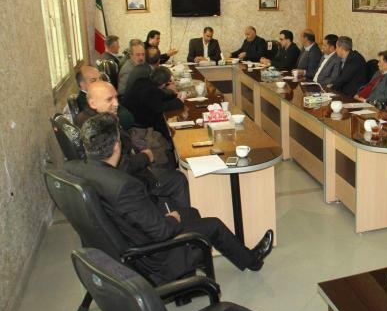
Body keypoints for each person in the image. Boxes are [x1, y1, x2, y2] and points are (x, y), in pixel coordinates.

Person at [66, 113, 274, 284]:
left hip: (123, 241)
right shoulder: (123, 186)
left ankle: (189, 276)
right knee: (214, 225)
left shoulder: (76, 169)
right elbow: (162, 231)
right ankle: (252, 261)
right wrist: (172, 217)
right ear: (116, 146)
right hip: (152, 258)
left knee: (191, 213)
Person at [76, 81, 183, 204]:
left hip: (129, 169)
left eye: (116, 97)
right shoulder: (99, 129)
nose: (116, 104)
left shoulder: (88, 119)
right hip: (132, 183)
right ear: (92, 103)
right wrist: (146, 156)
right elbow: (120, 166)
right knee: (179, 178)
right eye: (109, 99)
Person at [123, 66, 185, 140]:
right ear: (163, 84)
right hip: (140, 124)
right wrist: (179, 101)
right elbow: (160, 107)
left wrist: (174, 96)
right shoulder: (151, 91)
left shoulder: (142, 81)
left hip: (135, 115)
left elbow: (160, 95)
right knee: (171, 131)